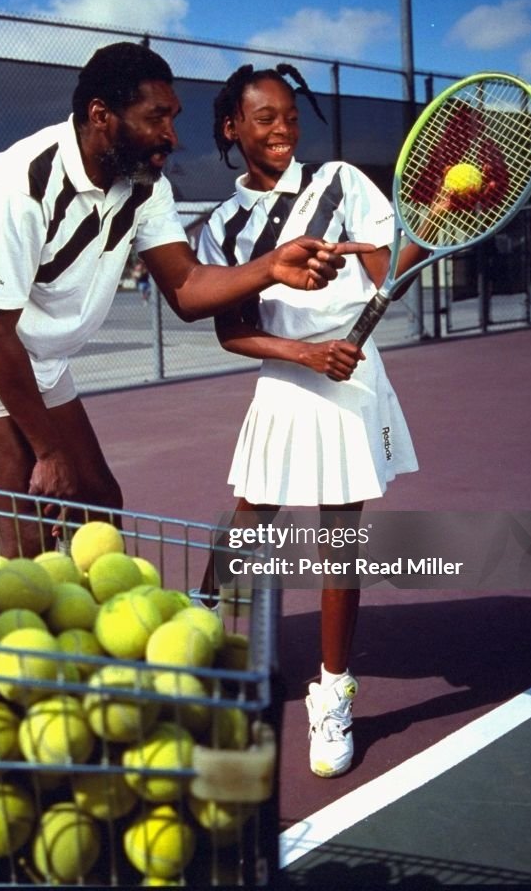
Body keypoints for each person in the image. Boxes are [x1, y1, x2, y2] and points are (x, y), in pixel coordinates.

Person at [0, 42, 371, 557]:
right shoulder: (18, 184)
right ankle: (26, 635)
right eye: (157, 118)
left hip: (41, 356)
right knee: (28, 521)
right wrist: (49, 451)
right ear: (101, 116)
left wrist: (269, 267)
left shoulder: (145, 184)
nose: (171, 136)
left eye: (172, 118)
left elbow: (187, 289)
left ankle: (93, 627)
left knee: (99, 502)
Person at [198, 63, 437, 779]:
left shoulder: (340, 181)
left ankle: (332, 695)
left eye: (290, 118)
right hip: (289, 374)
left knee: (339, 536)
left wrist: (410, 235)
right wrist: (303, 352)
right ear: (232, 128)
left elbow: (390, 266)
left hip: (351, 377)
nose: (282, 131)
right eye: (265, 119)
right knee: (252, 514)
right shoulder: (220, 227)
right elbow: (230, 330)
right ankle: (198, 623)